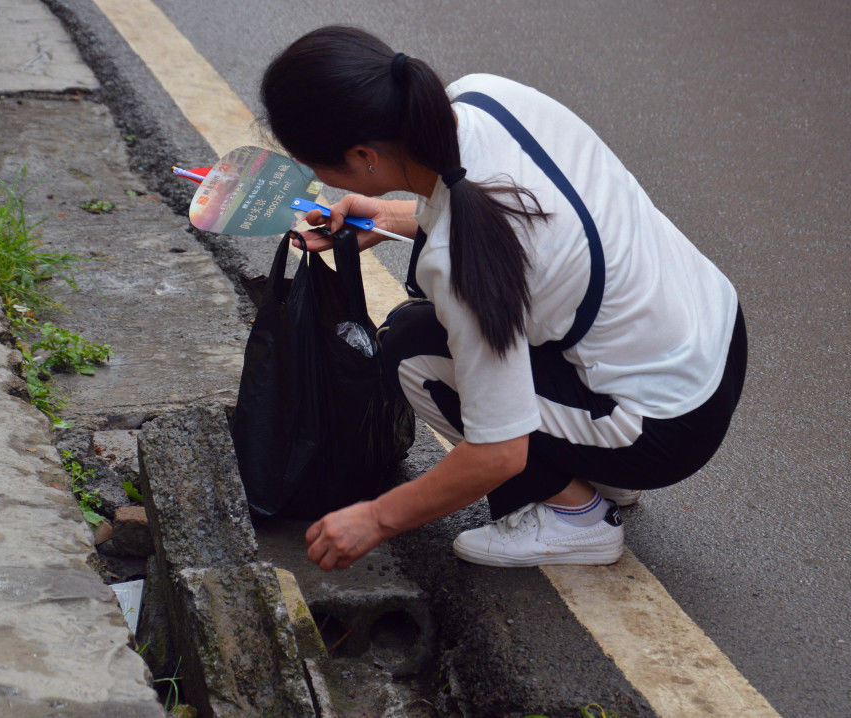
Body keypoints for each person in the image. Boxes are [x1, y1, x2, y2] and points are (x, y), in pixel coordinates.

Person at [260, 26, 746, 571]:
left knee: (411, 350)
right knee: (451, 337)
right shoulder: (485, 95)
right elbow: (518, 209)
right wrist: (396, 216)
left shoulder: (459, 260)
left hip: (668, 425)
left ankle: (575, 517)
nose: (316, 177)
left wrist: (375, 518)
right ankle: (604, 467)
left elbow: (499, 450)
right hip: (716, 333)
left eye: (314, 164)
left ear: (362, 155)